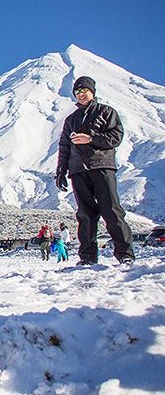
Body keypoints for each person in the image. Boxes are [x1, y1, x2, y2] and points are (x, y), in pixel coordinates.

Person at [55, 76, 135, 266]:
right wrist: (61, 170)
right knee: (85, 214)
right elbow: (64, 146)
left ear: (92, 92)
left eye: (84, 91)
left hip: (101, 166)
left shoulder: (106, 112)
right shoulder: (71, 119)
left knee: (112, 211)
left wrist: (91, 138)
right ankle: (87, 257)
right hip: (78, 171)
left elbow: (115, 137)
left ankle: (125, 254)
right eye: (77, 92)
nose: (81, 95)